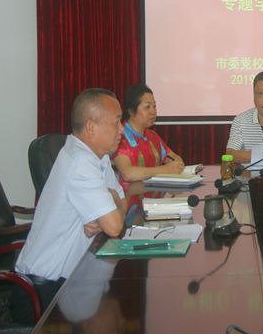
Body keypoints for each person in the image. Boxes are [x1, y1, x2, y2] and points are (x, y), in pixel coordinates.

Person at [13, 88, 127, 323]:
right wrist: (110, 205)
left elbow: (121, 207)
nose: (121, 129)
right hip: (43, 293)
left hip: (71, 278)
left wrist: (109, 206)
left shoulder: (99, 157)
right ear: (91, 127)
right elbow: (115, 226)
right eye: (116, 122)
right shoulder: (81, 161)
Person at [111, 84, 185, 224]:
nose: (153, 111)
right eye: (147, 107)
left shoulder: (152, 136)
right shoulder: (120, 138)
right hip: (124, 209)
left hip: (150, 205)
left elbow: (174, 158)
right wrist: (165, 170)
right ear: (131, 111)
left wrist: (175, 164)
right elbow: (128, 174)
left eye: (154, 106)